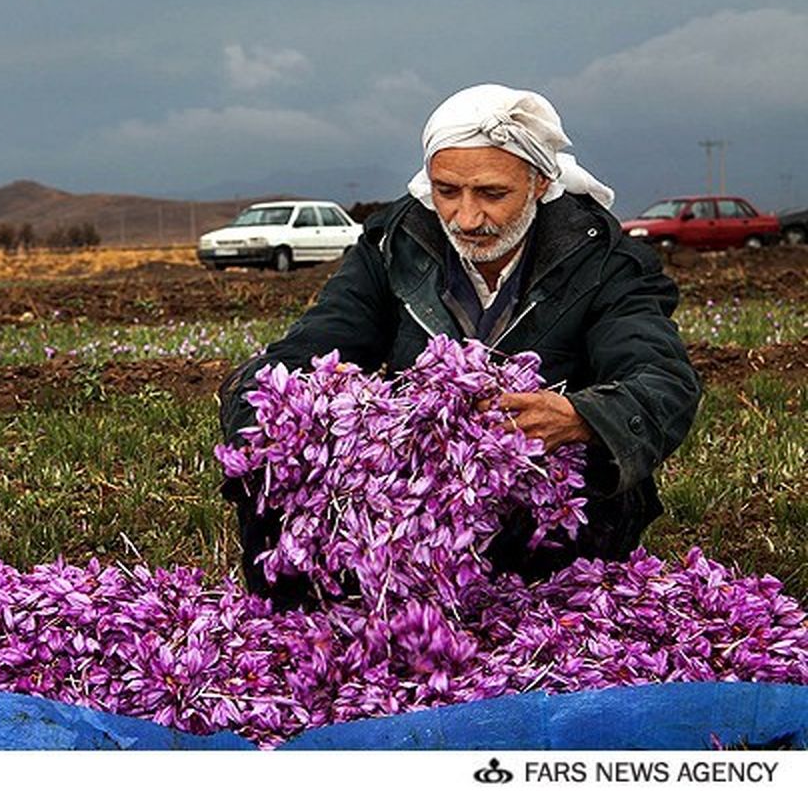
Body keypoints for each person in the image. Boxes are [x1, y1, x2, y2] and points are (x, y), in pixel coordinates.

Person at [218, 84, 703, 609]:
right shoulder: (394, 247)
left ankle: (494, 616)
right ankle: (333, 615)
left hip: (542, 493)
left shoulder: (606, 263)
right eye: (447, 191)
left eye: (492, 194)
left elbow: (663, 381)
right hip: (413, 488)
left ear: (540, 182)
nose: (467, 218)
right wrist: (270, 410)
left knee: (531, 575)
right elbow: (315, 347)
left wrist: (582, 416)